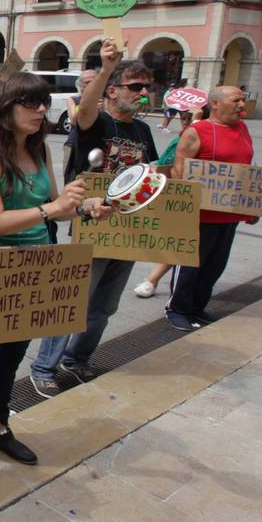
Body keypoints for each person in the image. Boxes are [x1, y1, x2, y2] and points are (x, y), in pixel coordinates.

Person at [0, 72, 111, 486]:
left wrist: (84, 207)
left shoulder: (40, 150)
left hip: (31, 270)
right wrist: (53, 209)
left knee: (11, 354)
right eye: (30, 104)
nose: (40, 111)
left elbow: (54, 207)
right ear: (5, 108)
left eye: (44, 104)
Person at [31, 40, 158, 397]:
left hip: (128, 229)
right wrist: (104, 69)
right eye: (135, 87)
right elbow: (83, 113)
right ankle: (44, 366)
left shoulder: (144, 131)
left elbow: (148, 175)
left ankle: (77, 359)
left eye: (147, 86)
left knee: (105, 305)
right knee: (74, 299)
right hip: (94, 223)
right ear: (113, 92)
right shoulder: (98, 121)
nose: (143, 92)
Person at [167, 86, 256, 330]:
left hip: (230, 215)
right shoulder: (197, 131)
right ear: (215, 104)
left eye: (243, 99)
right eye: (236, 100)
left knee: (215, 265)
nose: (241, 104)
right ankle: (176, 308)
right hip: (200, 215)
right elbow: (178, 169)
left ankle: (197, 307)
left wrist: (253, 204)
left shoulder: (243, 129)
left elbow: (249, 168)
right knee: (190, 265)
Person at [132, 106, 198, 299]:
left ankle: (153, 280)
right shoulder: (180, 139)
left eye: (190, 119)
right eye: (184, 118)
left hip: (194, 198)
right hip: (175, 197)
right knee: (176, 239)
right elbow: (164, 162)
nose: (185, 122)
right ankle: (153, 280)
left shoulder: (200, 136)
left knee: (181, 240)